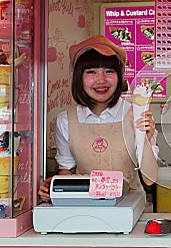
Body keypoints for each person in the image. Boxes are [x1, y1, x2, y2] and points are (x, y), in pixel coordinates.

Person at [38, 35, 158, 202]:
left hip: (131, 211)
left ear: (120, 76)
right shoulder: (66, 120)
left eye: (109, 71)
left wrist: (146, 139)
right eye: (91, 72)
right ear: (78, 77)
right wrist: (53, 189)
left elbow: (150, 179)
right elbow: (66, 171)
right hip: (83, 208)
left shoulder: (135, 114)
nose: (101, 80)